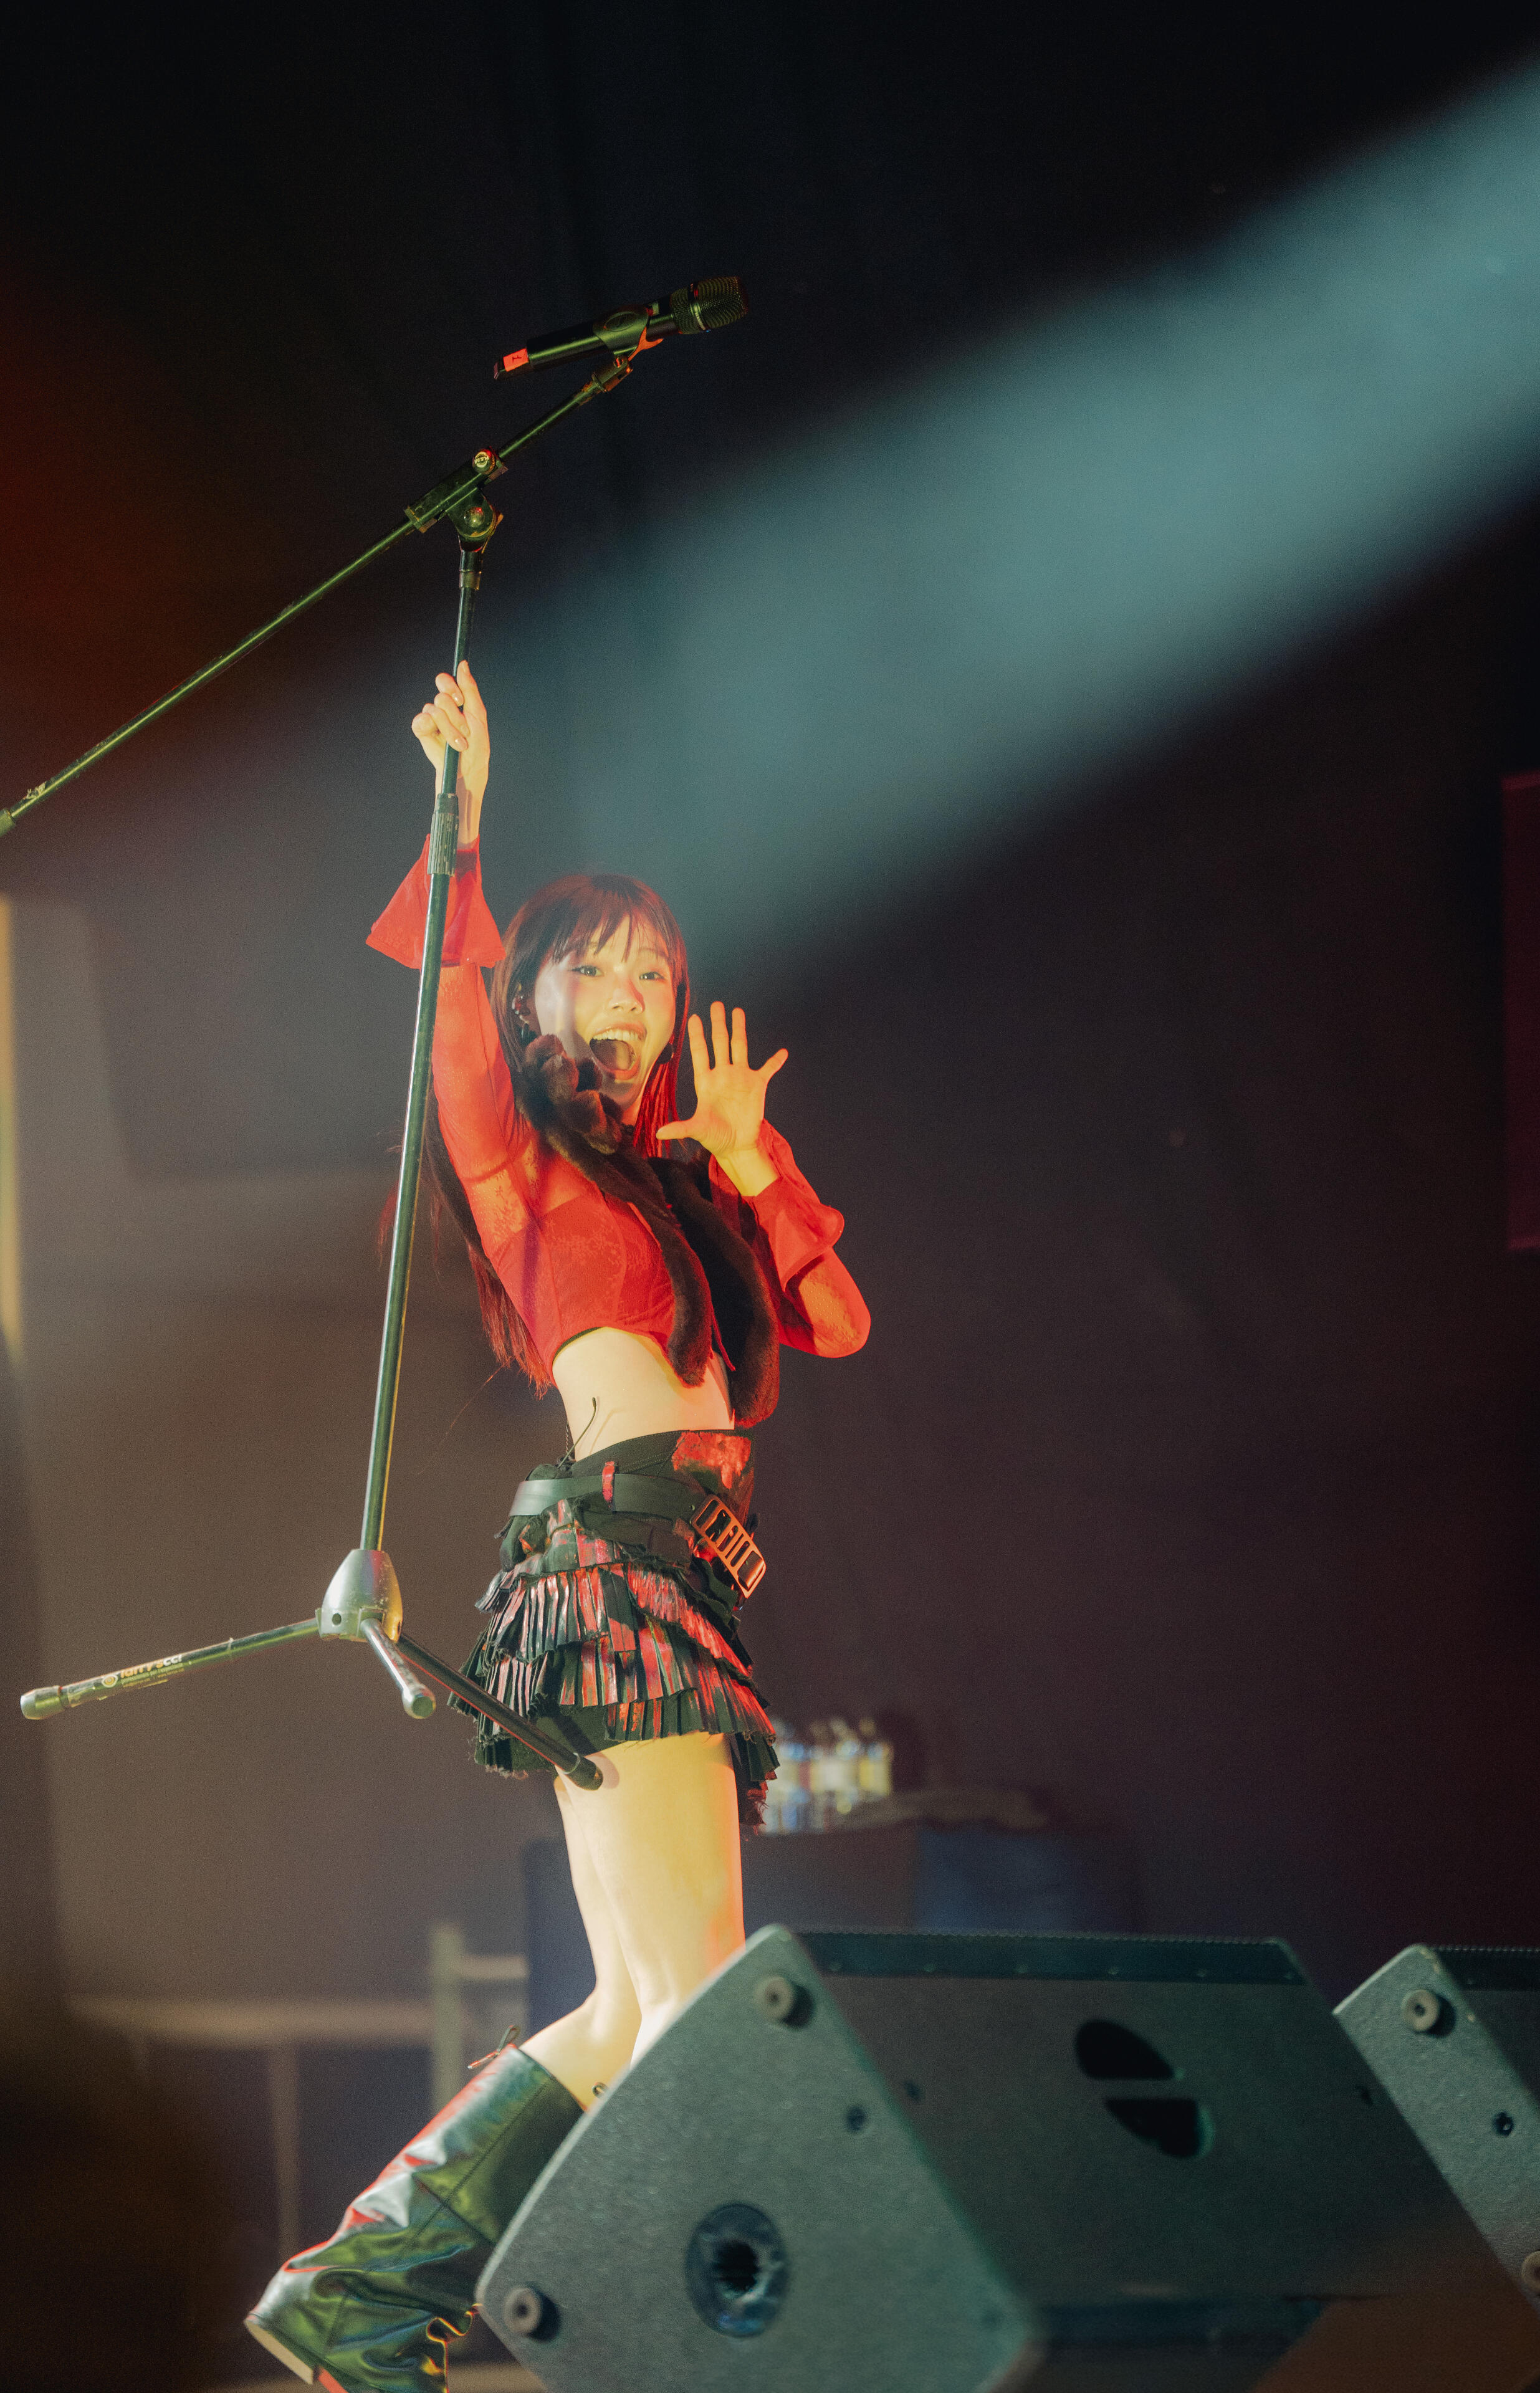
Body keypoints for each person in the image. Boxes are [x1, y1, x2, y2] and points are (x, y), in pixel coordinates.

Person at [247, 661, 869, 2392]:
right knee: (697, 2002)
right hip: (613, 1579)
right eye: (592, 966)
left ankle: (360, 2290)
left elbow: (836, 1321)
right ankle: (686, 2336)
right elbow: (449, 1004)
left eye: (652, 971)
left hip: (680, 1585)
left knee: (636, 2008)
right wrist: (461, 810)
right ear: (537, 992)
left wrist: (752, 1158)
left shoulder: (687, 1182)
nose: (629, 994)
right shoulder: (518, 1161)